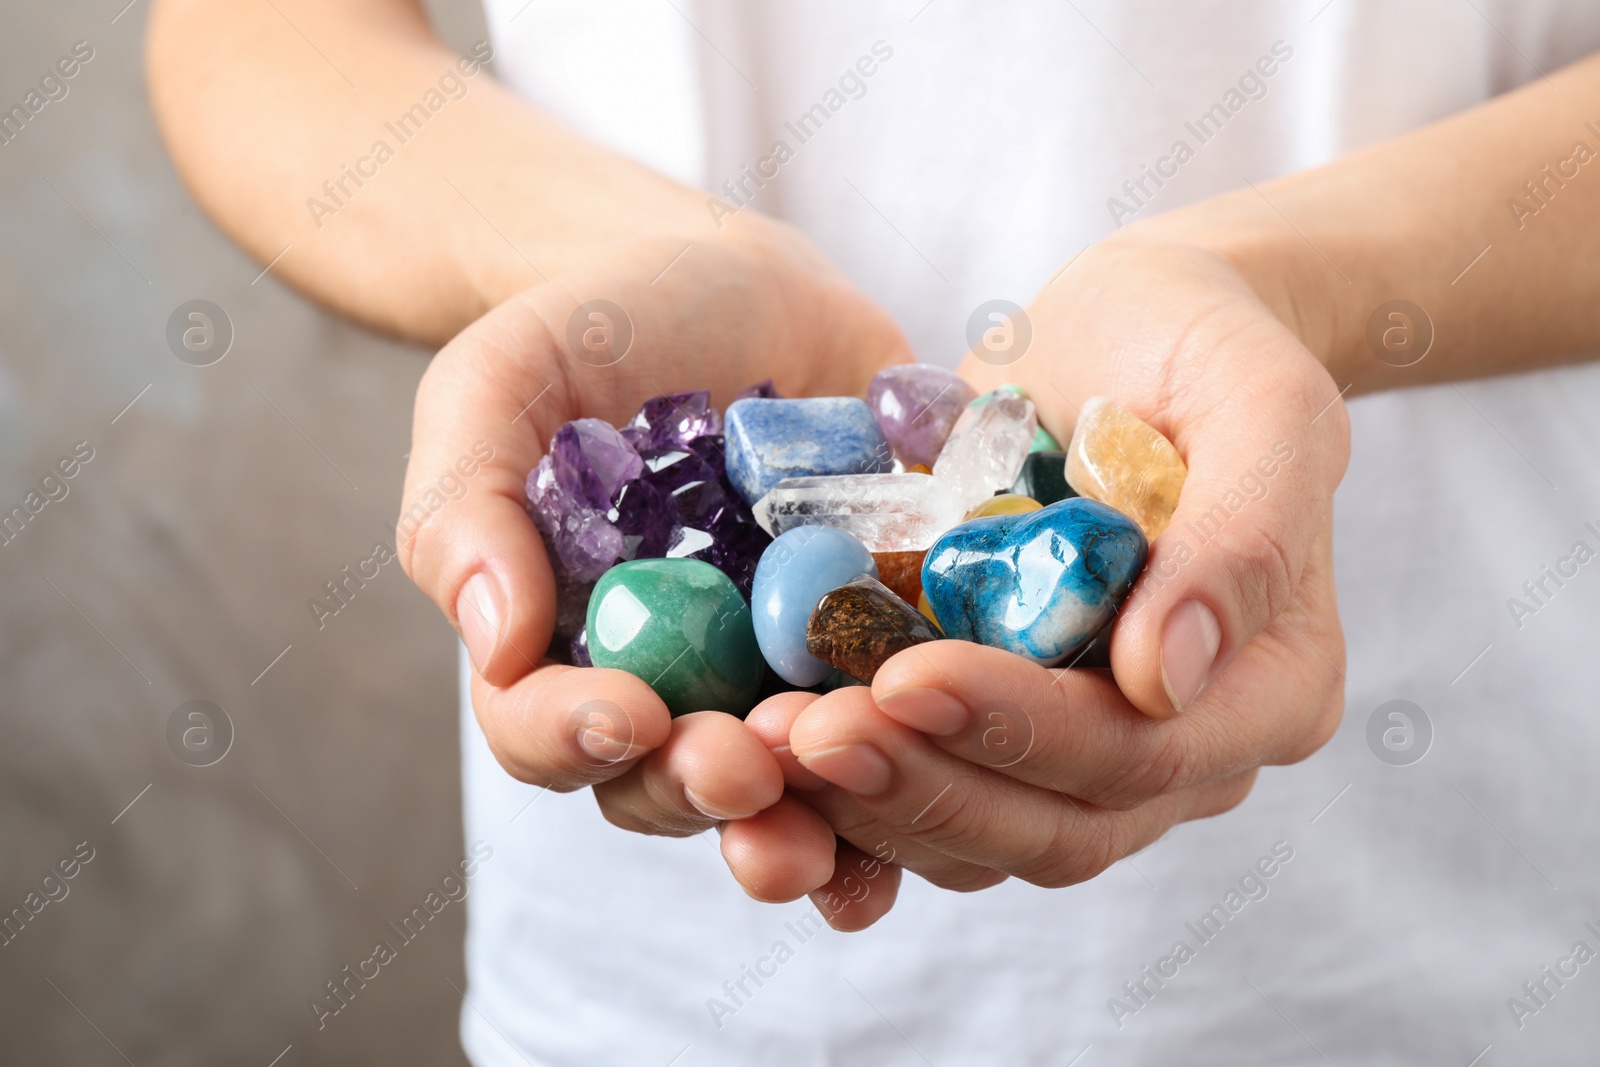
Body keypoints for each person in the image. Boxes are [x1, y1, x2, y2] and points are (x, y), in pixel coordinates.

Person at [149, 0, 1600, 1062]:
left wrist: (1297, 292)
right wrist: (601, 272)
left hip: (1433, 928)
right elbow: (253, 37)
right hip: (654, 978)